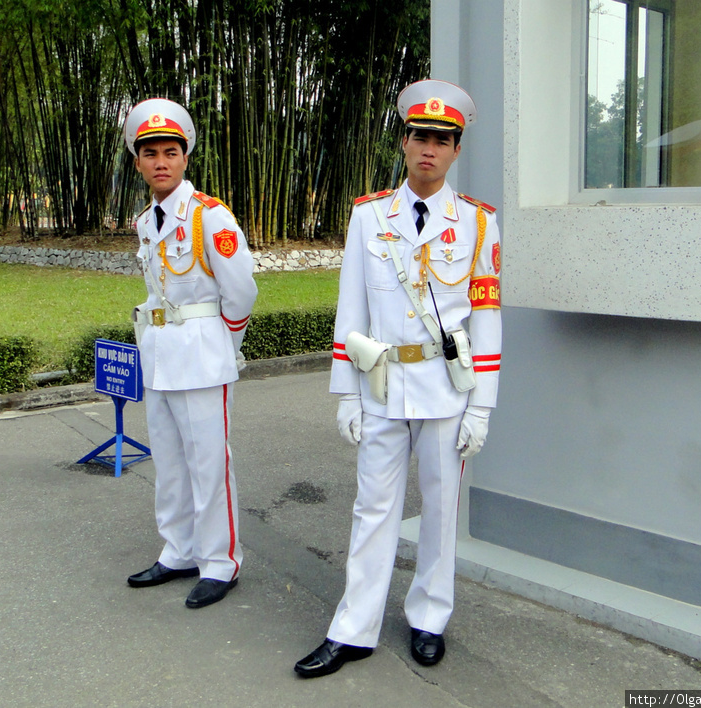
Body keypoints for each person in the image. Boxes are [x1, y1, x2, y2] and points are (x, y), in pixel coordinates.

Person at [294, 80, 502, 677]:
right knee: (373, 508)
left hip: (446, 393)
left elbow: (486, 321)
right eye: (420, 137)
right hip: (382, 385)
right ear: (404, 142)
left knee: (439, 511)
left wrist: (481, 406)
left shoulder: (479, 225)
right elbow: (351, 309)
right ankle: (353, 627)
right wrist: (344, 393)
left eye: (443, 139)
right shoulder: (368, 217)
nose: (429, 149)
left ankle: (429, 617)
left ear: (456, 149)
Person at [123, 98, 258, 609]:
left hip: (201, 354)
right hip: (158, 354)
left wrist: (225, 344)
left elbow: (241, 292)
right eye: (151, 152)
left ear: (185, 158)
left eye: (170, 151)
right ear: (138, 161)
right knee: (171, 461)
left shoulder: (209, 216)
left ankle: (221, 562)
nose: (161, 161)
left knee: (208, 463)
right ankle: (178, 550)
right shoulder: (146, 221)